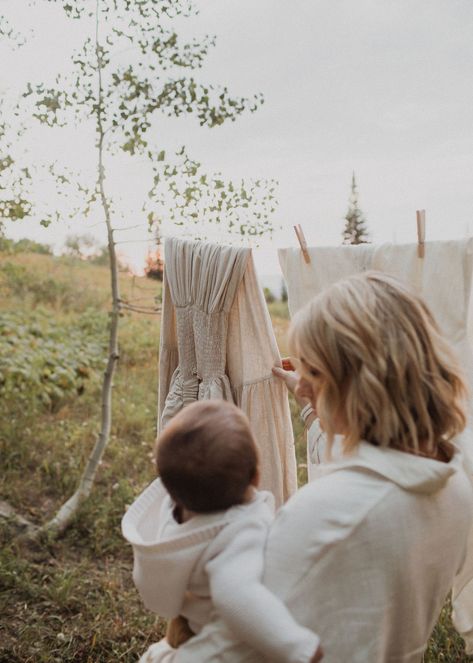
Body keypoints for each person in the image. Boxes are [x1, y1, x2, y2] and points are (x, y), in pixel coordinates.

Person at [155, 271, 473, 662]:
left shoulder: (326, 515)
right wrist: (313, 407)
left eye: (316, 373)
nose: (302, 384)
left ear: (366, 382)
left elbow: (227, 648)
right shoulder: (455, 481)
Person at [122, 400, 323, 663]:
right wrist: (298, 647)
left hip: (187, 629)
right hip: (226, 647)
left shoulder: (174, 516)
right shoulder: (239, 530)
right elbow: (237, 594)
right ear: (256, 476)